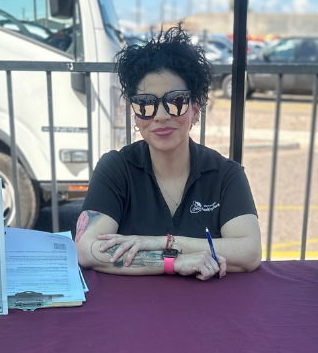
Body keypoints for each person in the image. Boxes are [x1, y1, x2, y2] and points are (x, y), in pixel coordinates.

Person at [74, 27, 262, 280]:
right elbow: (87, 250)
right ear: (135, 114)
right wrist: (174, 261)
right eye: (145, 104)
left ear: (195, 109)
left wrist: (161, 242)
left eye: (176, 101)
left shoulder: (225, 174)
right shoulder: (116, 168)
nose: (161, 116)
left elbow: (249, 252)